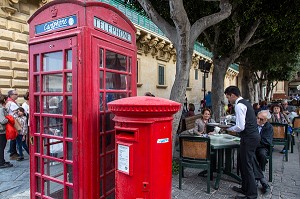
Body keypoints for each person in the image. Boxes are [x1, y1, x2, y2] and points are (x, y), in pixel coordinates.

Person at [224, 86, 261, 199]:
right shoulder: (245, 102)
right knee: (243, 164)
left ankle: (252, 195)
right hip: (252, 137)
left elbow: (240, 126)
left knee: (247, 165)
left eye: (228, 97)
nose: (228, 100)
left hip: (249, 138)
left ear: (233, 95)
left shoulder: (239, 105)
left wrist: (227, 129)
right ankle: (245, 188)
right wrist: (232, 119)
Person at [255, 110, 272, 193]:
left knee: (262, 155)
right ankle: (262, 180)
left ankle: (257, 177)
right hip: (252, 146)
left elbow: (266, 141)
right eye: (257, 118)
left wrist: (255, 139)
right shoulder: (253, 124)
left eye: (261, 119)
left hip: (262, 147)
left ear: (266, 120)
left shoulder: (268, 127)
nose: (258, 120)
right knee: (249, 154)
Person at [6, 90, 20, 160]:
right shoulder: (12, 103)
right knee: (14, 138)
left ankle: (13, 151)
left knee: (13, 137)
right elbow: (18, 112)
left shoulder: (9, 102)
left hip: (11, 121)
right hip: (14, 122)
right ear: (11, 95)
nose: (17, 95)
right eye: (16, 94)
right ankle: (13, 153)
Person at [0, 94, 13, 168]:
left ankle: (2, 161)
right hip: (1, 131)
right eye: (7, 99)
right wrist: (9, 119)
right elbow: (3, 121)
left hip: (2, 131)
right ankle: (1, 163)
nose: (8, 101)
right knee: (1, 147)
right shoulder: (1, 109)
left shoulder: (2, 108)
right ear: (4, 100)